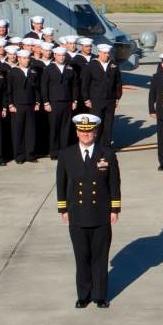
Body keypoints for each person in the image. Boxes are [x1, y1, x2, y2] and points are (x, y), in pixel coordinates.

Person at [57, 114, 121, 308]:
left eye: (90, 131)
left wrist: (115, 209)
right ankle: (83, 294)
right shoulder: (67, 155)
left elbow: (114, 183)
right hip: (77, 213)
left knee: (100, 257)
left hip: (100, 213)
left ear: (96, 131)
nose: (86, 135)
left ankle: (100, 295)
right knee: (82, 256)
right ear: (77, 132)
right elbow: (61, 183)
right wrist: (63, 209)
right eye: (83, 131)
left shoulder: (107, 154)